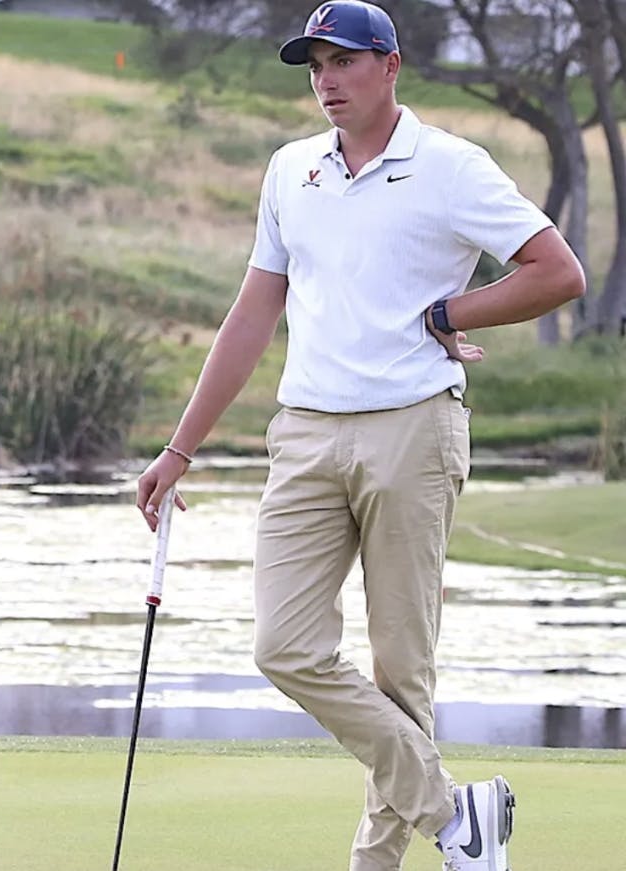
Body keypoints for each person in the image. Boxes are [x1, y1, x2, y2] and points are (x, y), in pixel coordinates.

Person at [131, 2, 587, 870]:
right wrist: (180, 445)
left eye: (344, 61)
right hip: (304, 432)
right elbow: (253, 311)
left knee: (400, 670)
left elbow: (555, 271)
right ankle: (458, 816)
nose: (326, 80)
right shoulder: (289, 170)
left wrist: (452, 309)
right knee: (284, 645)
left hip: (414, 429)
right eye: (315, 66)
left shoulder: (451, 166)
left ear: (391, 66)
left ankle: (380, 861)